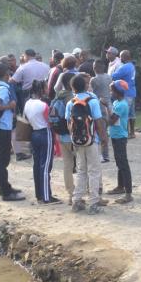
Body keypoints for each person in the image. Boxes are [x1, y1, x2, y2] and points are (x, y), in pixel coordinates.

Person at [66, 74, 107, 212]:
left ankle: (77, 201)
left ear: (72, 88)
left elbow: (68, 123)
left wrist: (75, 138)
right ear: (85, 86)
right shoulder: (92, 101)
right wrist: (103, 138)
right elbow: (98, 121)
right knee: (94, 171)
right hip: (92, 140)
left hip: (77, 141)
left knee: (81, 170)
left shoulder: (70, 102)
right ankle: (93, 202)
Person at [0, 63, 24, 201]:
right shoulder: (2, 88)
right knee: (2, 160)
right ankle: (5, 192)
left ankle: (4, 187)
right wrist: (9, 106)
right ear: (6, 75)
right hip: (3, 127)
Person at [24, 80, 58, 204]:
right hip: (45, 133)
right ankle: (47, 197)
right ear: (42, 90)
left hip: (34, 133)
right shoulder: (44, 105)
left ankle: (39, 195)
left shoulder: (27, 103)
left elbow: (26, 119)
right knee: (46, 166)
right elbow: (51, 121)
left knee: (37, 165)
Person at [107, 80, 134, 203]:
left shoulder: (122, 104)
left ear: (118, 91)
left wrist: (105, 108)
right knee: (119, 162)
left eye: (112, 90)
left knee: (123, 164)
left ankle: (128, 194)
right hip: (115, 136)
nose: (110, 92)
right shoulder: (117, 102)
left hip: (120, 137)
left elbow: (112, 120)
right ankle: (120, 186)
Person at [53, 72, 77, 200]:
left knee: (67, 165)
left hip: (60, 135)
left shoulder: (58, 96)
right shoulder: (71, 98)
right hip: (71, 136)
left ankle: (71, 192)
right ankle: (87, 191)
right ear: (70, 83)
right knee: (82, 163)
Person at [111, 50, 137, 139]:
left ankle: (124, 132)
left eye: (121, 56)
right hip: (132, 92)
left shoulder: (124, 67)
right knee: (132, 114)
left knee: (123, 113)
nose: (120, 58)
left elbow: (113, 76)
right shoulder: (132, 66)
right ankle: (132, 132)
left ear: (125, 57)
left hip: (126, 93)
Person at [91, 59, 113, 162]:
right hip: (109, 107)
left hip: (99, 108)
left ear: (95, 68)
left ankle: (104, 156)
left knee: (100, 133)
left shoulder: (93, 80)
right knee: (105, 132)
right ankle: (105, 154)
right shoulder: (109, 77)